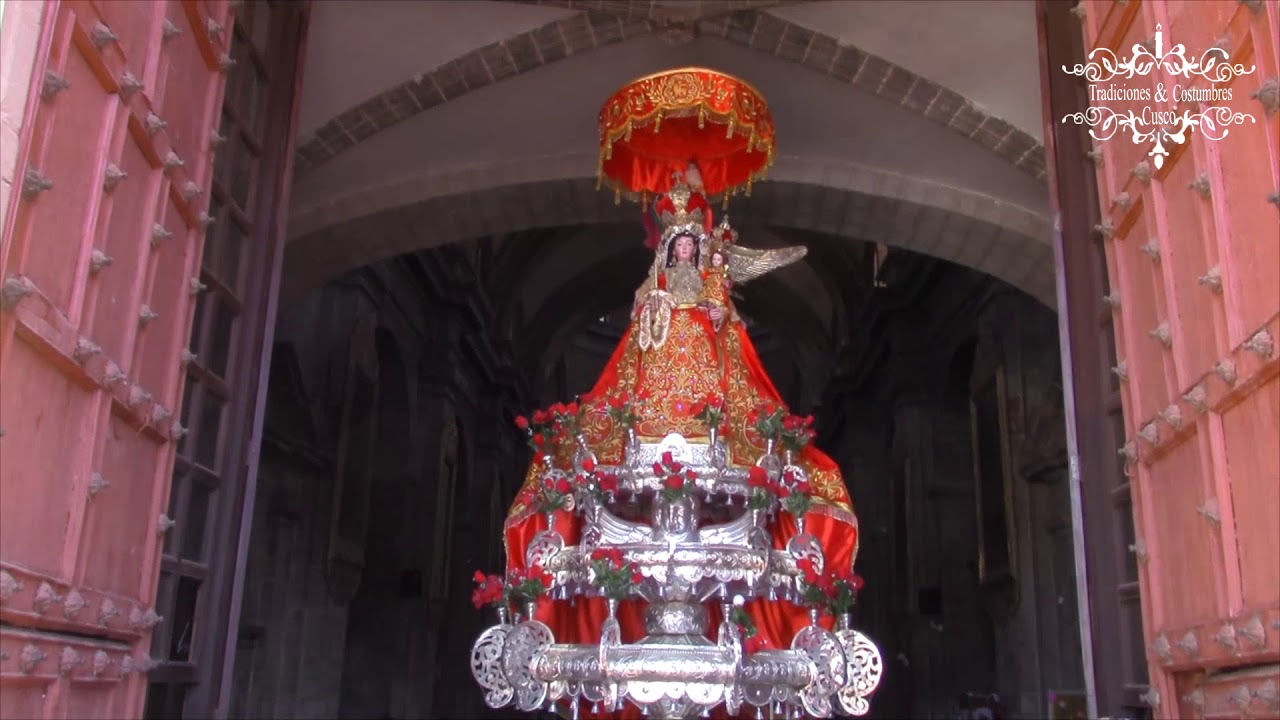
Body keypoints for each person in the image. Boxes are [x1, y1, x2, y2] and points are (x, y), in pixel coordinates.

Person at [502, 167, 860, 719]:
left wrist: (716, 307)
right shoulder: (656, 288)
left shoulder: (710, 281)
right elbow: (638, 330)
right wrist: (655, 313)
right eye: (680, 244)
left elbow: (726, 321)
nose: (687, 250)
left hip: (709, 391)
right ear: (669, 249)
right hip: (656, 385)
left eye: (693, 243)